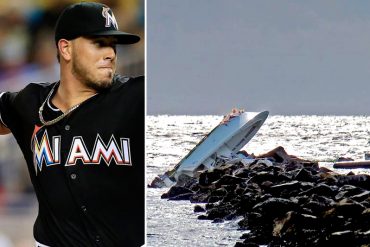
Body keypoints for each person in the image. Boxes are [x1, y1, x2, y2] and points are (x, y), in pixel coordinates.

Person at [0, 2, 144, 246]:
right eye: (99, 43)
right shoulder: (30, 102)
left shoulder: (135, 96)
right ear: (66, 49)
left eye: (112, 46)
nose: (110, 54)